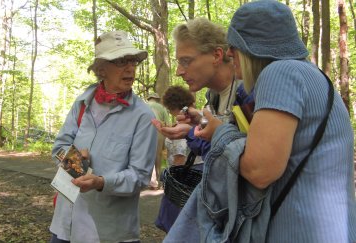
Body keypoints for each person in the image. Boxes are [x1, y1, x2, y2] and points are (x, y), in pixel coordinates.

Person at [193, 0, 356, 241]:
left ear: (253, 48)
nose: (229, 53)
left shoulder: (279, 73)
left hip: (301, 231)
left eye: (234, 45)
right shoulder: (311, 75)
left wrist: (221, 133)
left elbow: (260, 171)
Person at [49, 30, 158, 243]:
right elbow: (60, 146)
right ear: (101, 69)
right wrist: (75, 162)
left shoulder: (143, 116)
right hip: (66, 224)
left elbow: (140, 176)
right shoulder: (83, 103)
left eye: (133, 61)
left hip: (109, 232)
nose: (130, 68)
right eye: (120, 61)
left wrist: (101, 182)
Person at [151, 18, 252, 160]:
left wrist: (192, 133)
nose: (178, 72)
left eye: (186, 61)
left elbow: (250, 161)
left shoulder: (249, 92)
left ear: (216, 55)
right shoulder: (213, 96)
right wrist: (200, 123)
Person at [154, 85, 203, 233]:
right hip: (197, 175)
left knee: (180, 224)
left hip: (185, 179)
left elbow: (180, 156)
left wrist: (175, 180)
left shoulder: (184, 125)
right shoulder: (198, 119)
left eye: (169, 109)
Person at [147, 93, 170, 189]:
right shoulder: (162, 107)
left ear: (149, 99)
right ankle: (157, 181)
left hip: (145, 132)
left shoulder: (143, 105)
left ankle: (150, 181)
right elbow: (167, 124)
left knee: (147, 156)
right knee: (157, 156)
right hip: (159, 132)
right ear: (157, 99)